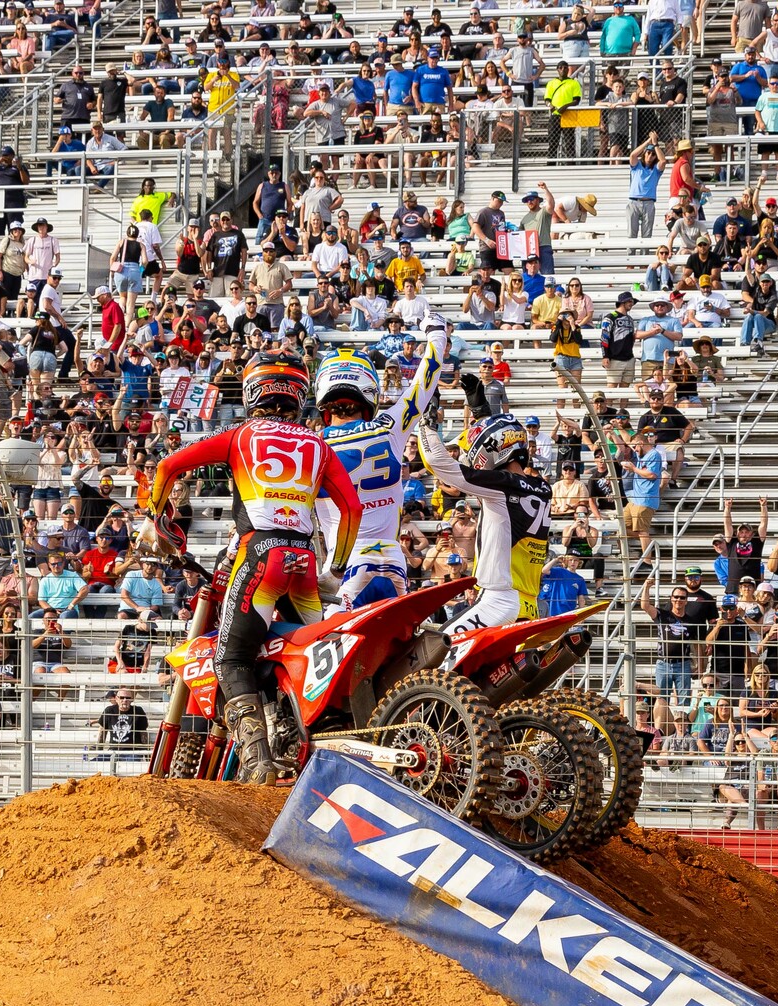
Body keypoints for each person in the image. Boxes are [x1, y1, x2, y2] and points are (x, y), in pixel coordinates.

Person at [146, 356, 364, 782]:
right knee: (309, 655)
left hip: (258, 553)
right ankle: (307, 741)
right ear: (300, 396)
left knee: (230, 658)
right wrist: (336, 568)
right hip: (304, 559)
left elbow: (167, 466)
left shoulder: (240, 435)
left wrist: (158, 518)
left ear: (251, 393)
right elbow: (351, 507)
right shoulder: (319, 445)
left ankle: (258, 760)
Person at [413, 371, 553, 636]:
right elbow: (498, 441)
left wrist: (426, 422)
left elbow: (439, 463)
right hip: (528, 605)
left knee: (429, 653)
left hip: (497, 600)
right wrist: (481, 411)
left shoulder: (500, 487)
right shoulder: (542, 488)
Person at [318, 331, 444, 608]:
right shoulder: (390, 427)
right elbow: (427, 377)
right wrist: (436, 333)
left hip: (345, 567)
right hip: (393, 560)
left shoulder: (313, 445)